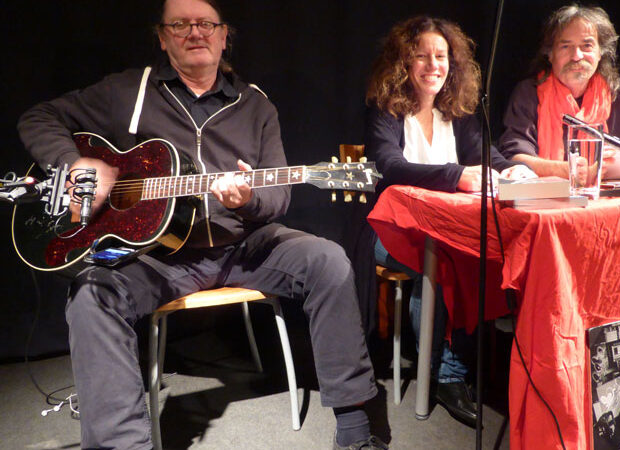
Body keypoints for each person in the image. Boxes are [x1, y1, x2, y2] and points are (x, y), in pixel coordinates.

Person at [17, 1, 387, 449]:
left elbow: (278, 196)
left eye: (206, 24)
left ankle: (355, 426)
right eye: (181, 24)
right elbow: (38, 118)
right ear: (162, 36)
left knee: (328, 260)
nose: (195, 32)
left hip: (244, 246)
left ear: (224, 34)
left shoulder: (256, 105)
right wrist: (76, 165)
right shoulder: (126, 92)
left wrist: (249, 197)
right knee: (92, 295)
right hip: (157, 257)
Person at [359, 16, 534, 427]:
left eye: (440, 56)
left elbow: (488, 159)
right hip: (392, 231)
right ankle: (446, 375)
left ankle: (447, 369)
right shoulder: (385, 110)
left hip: (448, 232)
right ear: (403, 63)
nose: (432, 65)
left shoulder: (459, 112)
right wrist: (455, 175)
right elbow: (390, 166)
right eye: (421, 56)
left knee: (469, 254)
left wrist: (513, 173)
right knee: (439, 263)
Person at [498, 4, 620, 178]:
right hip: (548, 199)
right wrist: (569, 171)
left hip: (611, 200)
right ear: (550, 53)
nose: (576, 56)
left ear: (600, 52)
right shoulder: (529, 93)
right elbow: (514, 157)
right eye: (566, 46)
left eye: (586, 46)